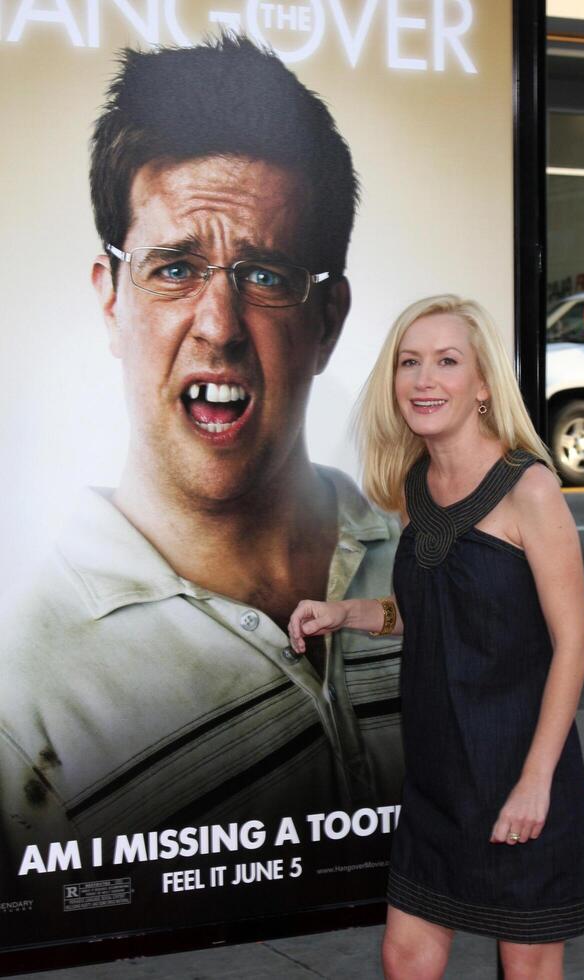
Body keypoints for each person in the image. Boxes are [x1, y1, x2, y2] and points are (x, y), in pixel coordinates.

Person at [0, 36, 402, 895]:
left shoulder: (428, 557)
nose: (217, 324)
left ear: (329, 319)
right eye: (175, 269)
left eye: (263, 274)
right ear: (111, 301)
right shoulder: (19, 689)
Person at [289, 294, 584, 979]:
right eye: (410, 362)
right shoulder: (415, 485)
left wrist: (536, 780)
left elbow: (575, 643)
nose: (424, 379)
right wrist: (345, 613)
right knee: (406, 959)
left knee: (529, 969)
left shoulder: (529, 489)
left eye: (447, 361)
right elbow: (423, 611)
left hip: (519, 772)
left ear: (483, 385)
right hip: (437, 781)